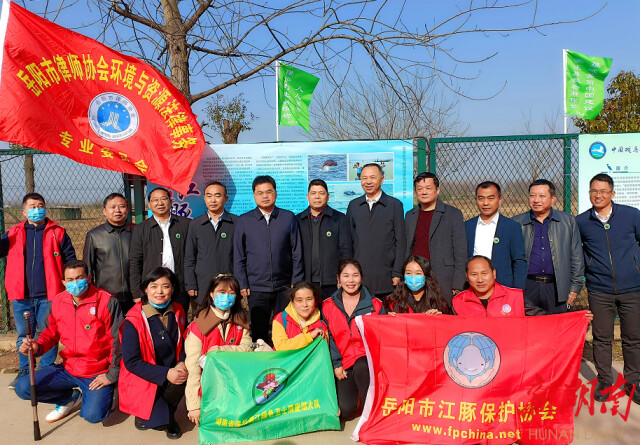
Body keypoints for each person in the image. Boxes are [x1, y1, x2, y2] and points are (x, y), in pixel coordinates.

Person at [15, 260, 123, 424]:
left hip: (97, 371)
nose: (75, 283)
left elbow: (119, 341)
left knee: (93, 415)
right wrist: (36, 345)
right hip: (69, 367)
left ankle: (110, 391)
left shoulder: (107, 301)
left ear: (89, 278)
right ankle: (70, 397)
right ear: (64, 282)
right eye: (70, 280)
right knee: (23, 388)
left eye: (79, 278)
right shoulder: (58, 302)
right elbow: (48, 332)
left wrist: (112, 374)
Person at [0, 192, 76, 389]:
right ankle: (25, 371)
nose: (37, 210)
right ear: (24, 211)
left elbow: (70, 259)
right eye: (32, 207)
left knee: (48, 333)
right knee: (24, 335)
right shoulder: (13, 233)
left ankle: (47, 370)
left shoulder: (57, 232)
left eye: (40, 205)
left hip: (50, 294)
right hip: (21, 295)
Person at [576, 173, 640, 404]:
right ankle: (604, 380)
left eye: (603, 191)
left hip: (633, 288)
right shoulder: (582, 221)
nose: (598, 195)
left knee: (633, 338)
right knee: (602, 338)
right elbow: (579, 253)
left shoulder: (632, 215)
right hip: (599, 289)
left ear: (612, 193)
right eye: (594, 190)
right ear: (589, 192)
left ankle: (633, 381)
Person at [233, 175, 304, 342]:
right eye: (260, 193)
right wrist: (242, 283)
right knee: (259, 330)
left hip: (284, 285)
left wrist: (297, 280)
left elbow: (297, 252)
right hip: (256, 286)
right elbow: (238, 255)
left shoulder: (288, 218)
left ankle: (281, 363)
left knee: (283, 328)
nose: (265, 196)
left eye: (268, 192)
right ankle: (262, 363)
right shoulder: (244, 220)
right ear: (254, 196)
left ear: (276, 193)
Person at [119, 267, 187, 439]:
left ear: (172, 289)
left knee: (187, 373)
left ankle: (168, 413)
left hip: (170, 372)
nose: (160, 291)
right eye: (154, 286)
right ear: (145, 289)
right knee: (158, 423)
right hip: (145, 378)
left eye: (165, 286)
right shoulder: (133, 321)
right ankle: (154, 415)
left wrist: (181, 362)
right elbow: (132, 362)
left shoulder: (178, 310)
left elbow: (184, 342)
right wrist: (166, 373)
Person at [184, 273, 253, 427]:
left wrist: (222, 350)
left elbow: (248, 349)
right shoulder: (198, 325)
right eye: (222, 293)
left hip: (235, 382)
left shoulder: (241, 320)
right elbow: (193, 367)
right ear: (211, 294)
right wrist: (194, 406)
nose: (226, 297)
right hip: (209, 386)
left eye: (231, 293)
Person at [322, 259, 385, 418]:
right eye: (346, 276)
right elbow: (328, 336)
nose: (351, 281)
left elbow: (384, 336)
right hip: (345, 363)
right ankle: (359, 401)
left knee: (362, 364)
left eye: (355, 275)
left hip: (367, 362)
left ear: (362, 278)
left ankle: (372, 414)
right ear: (338, 278)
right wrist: (336, 363)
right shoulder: (328, 305)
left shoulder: (375, 305)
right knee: (346, 409)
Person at [513, 179, 584, 314]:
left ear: (553, 199)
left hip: (557, 287)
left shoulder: (568, 221)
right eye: (532, 195)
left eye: (542, 196)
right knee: (529, 330)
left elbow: (577, 258)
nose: (536, 200)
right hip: (528, 286)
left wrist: (574, 290)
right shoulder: (517, 223)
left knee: (557, 330)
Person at [405, 172, 467, 304]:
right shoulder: (410, 215)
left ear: (437, 190)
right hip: (417, 278)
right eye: (420, 189)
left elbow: (460, 252)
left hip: (443, 277)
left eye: (428, 188)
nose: (424, 192)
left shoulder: (452, 214)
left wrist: (458, 283)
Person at [346, 163, 405, 300]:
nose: (368, 181)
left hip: (386, 276)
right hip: (359, 275)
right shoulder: (354, 206)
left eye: (373, 177)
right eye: (364, 178)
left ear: (382, 179)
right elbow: (348, 241)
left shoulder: (394, 205)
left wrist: (397, 272)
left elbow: (401, 242)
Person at [129, 187, 190, 313]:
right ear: (149, 204)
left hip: (180, 287)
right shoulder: (141, 229)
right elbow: (135, 261)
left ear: (171, 201)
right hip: (153, 289)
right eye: (155, 200)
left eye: (163, 199)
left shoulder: (186, 225)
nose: (160, 203)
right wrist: (136, 292)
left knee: (179, 322)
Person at [465, 181, 527, 289]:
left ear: (500, 200)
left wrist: (517, 290)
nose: (485, 203)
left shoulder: (512, 227)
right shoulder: (467, 226)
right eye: (481, 198)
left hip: (503, 287)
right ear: (476, 200)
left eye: (491, 198)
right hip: (473, 287)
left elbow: (519, 261)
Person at [297, 179, 352, 300]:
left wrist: (342, 277)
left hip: (332, 282)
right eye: (313, 193)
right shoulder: (298, 220)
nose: (317, 197)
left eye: (321, 193)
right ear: (307, 196)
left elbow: (345, 250)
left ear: (328, 196)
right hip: (306, 282)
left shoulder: (339, 218)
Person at [185, 181, 237, 307]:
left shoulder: (236, 222)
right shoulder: (195, 224)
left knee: (228, 320)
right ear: (204, 198)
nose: (213, 200)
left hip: (229, 284)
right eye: (209, 196)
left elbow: (241, 257)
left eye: (217, 196)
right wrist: (191, 284)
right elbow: (189, 258)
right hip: (203, 284)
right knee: (203, 320)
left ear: (226, 198)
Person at [84, 193, 135, 314]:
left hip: (135, 296)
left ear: (127, 209)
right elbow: (88, 269)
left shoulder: (137, 231)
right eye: (112, 207)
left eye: (122, 206)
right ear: (104, 211)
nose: (117, 210)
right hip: (107, 296)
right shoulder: (94, 235)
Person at [453, 256, 549, 317]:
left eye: (484, 273)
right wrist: (438, 318)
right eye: (474, 274)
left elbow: (544, 320)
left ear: (494, 273)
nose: (480, 280)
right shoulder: (458, 301)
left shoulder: (515, 297)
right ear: (467, 276)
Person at [385, 255, 450, 314]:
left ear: (426, 276)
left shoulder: (438, 302)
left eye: (418, 274)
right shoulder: (393, 302)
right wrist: (388, 318)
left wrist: (440, 317)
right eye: (408, 273)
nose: (413, 277)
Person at [272, 281, 328, 351]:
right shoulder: (280, 319)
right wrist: (309, 337)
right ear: (292, 302)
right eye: (299, 300)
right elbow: (281, 347)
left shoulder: (322, 323)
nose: (304, 305)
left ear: (315, 301)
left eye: (309, 299)